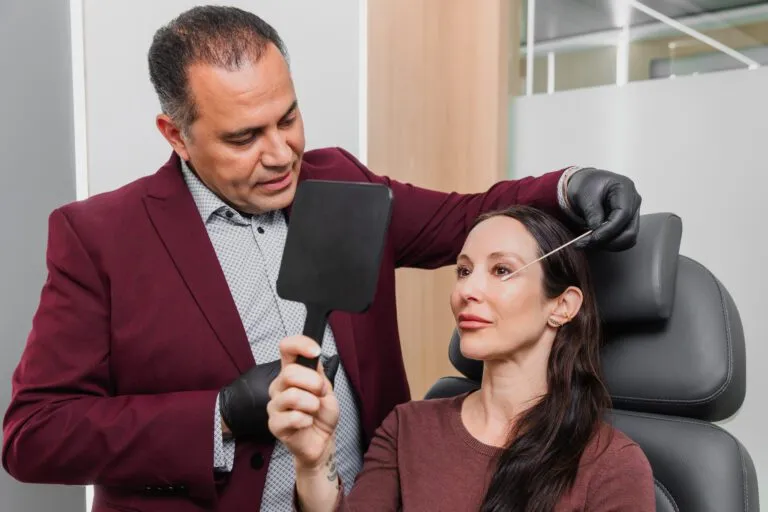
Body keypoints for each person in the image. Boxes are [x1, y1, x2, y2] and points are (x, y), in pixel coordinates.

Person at [2, 6, 642, 512]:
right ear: (177, 135)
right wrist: (219, 415)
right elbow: (34, 434)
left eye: (288, 118)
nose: (281, 154)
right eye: (244, 137)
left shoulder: (342, 184)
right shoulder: (101, 236)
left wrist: (570, 187)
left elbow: (465, 218)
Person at [268, 205, 655, 511]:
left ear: (562, 306)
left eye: (501, 270)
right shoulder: (407, 427)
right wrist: (313, 462)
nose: (467, 290)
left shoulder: (612, 465)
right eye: (464, 270)